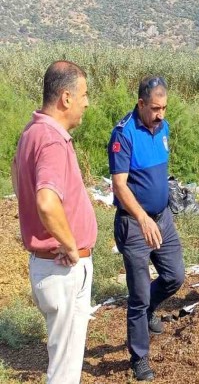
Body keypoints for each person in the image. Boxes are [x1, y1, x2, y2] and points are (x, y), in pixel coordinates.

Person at [12, 61, 97, 383]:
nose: (87, 103)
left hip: (50, 267)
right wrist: (70, 246)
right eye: (84, 95)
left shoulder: (31, 133)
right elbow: (47, 202)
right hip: (62, 269)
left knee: (62, 362)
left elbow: (17, 177)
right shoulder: (50, 139)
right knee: (64, 372)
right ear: (65, 97)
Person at [108, 76, 185, 381]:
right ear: (141, 104)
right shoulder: (124, 133)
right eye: (155, 108)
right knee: (138, 294)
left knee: (175, 275)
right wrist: (142, 218)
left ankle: (150, 309)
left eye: (164, 108)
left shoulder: (163, 128)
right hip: (134, 223)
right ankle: (139, 356)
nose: (160, 114)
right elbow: (119, 185)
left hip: (162, 218)